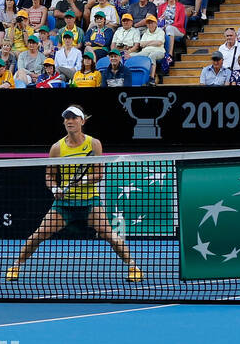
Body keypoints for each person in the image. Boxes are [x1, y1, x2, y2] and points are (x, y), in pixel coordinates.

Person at [7, 106, 142, 283]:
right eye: (67, 118)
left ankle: (133, 267)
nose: (70, 121)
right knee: (39, 234)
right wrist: (55, 189)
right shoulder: (57, 148)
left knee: (109, 235)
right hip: (65, 204)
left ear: (82, 121)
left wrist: (82, 181)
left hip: (90, 202)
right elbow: (49, 176)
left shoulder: (94, 144)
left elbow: (99, 173)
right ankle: (15, 266)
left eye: (74, 118)